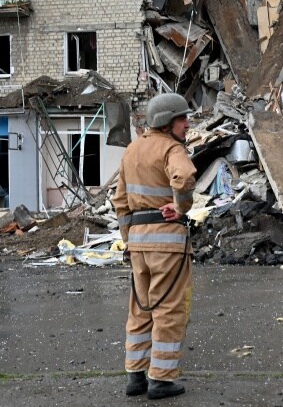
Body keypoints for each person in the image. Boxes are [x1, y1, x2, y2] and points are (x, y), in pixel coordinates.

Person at [112, 93, 196, 400]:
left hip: (138, 245)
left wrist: (128, 239)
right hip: (168, 245)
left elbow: (120, 201)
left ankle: (136, 375)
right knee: (168, 310)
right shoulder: (172, 148)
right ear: (167, 121)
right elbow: (184, 176)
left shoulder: (132, 151)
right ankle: (161, 379)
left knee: (140, 308)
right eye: (182, 118)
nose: (187, 124)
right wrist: (181, 207)